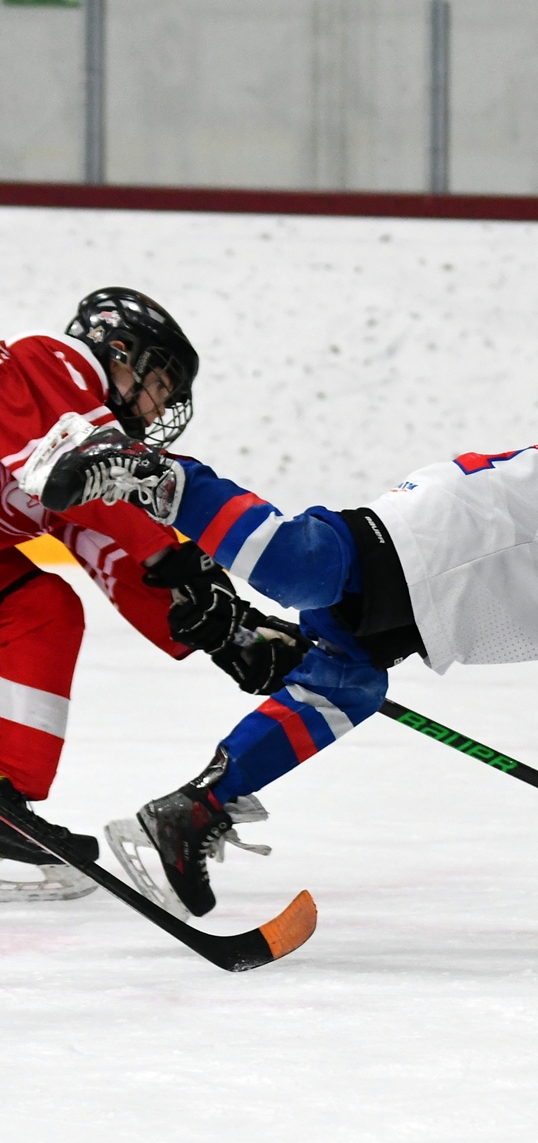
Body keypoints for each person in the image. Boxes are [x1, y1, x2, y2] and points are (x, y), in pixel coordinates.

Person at [23, 414, 538, 917]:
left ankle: (188, 813)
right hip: (445, 546)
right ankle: (154, 472)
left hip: (442, 582)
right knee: (303, 563)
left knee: (349, 682)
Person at [0, 288, 304, 899]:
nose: (157, 405)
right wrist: (185, 565)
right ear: (118, 353)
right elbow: (94, 479)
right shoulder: (44, 363)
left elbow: (109, 545)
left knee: (43, 611)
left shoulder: (70, 457)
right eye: (158, 385)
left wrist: (223, 628)